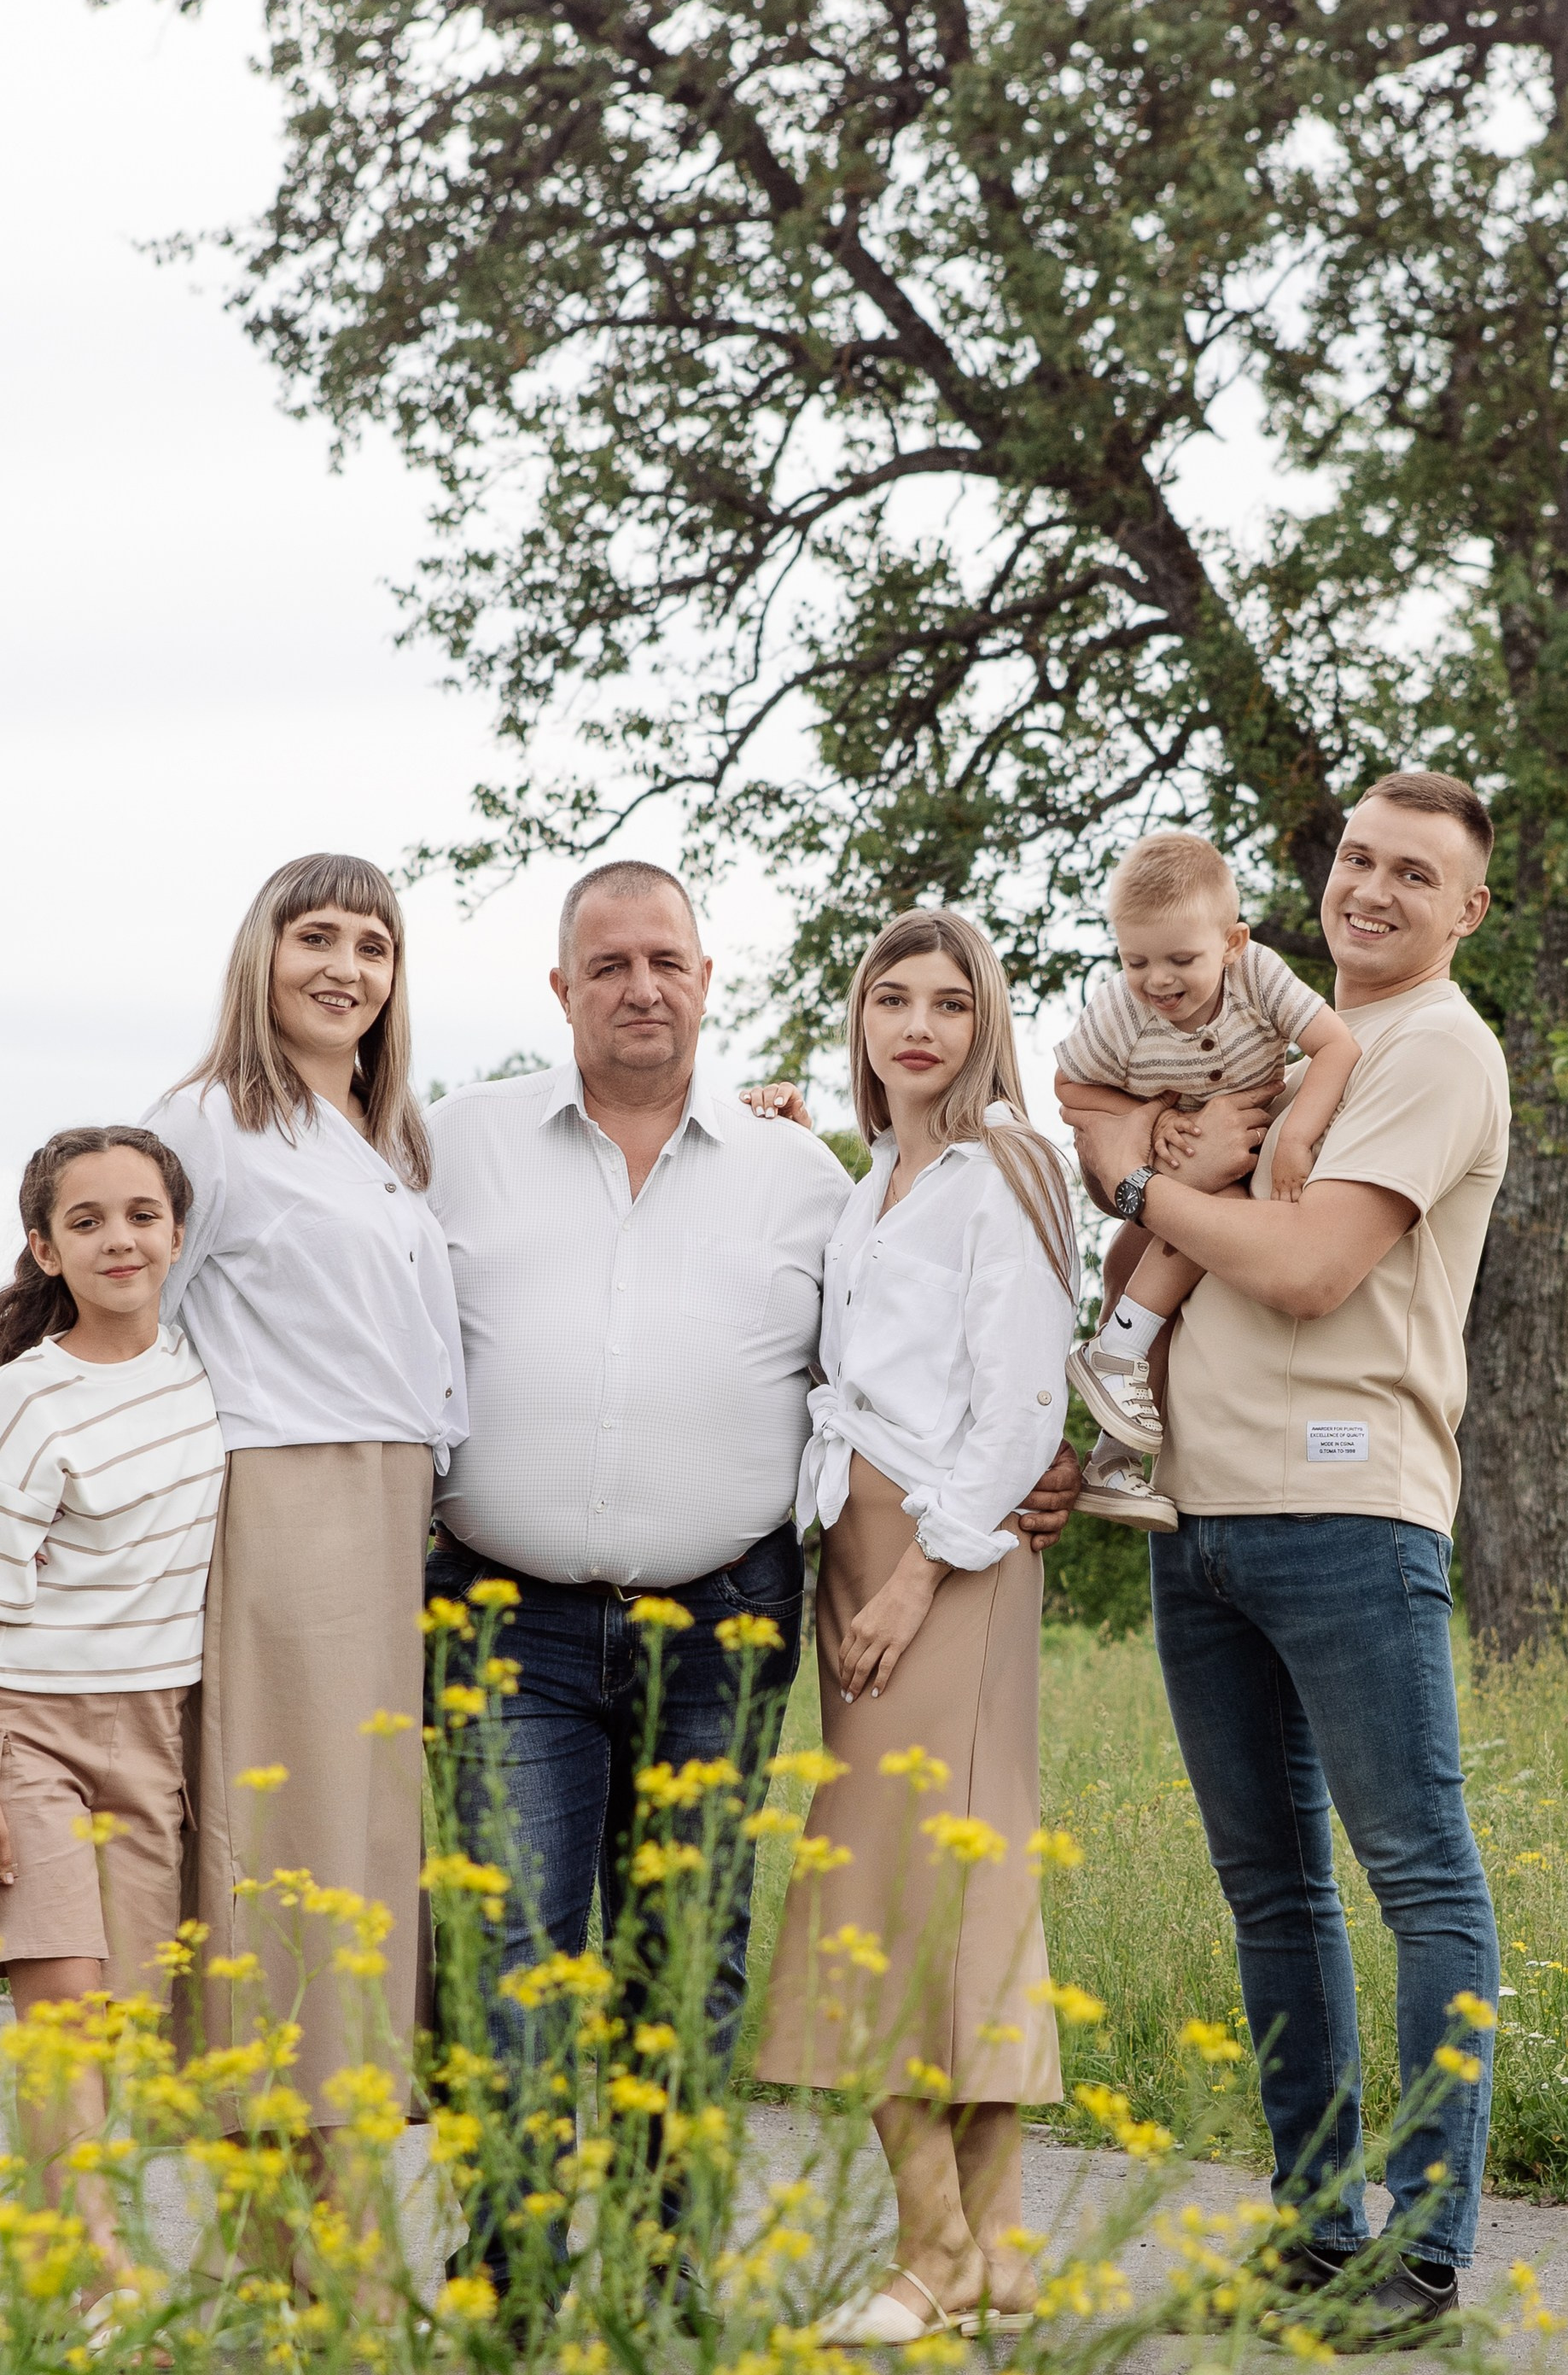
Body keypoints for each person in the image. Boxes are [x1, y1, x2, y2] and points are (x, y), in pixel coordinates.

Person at [423, 860, 1081, 2104]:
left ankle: (660, 2280)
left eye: (666, 962)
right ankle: (507, 2287)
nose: (640, 988)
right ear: (561, 988)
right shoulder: (462, 1141)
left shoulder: (803, 1179)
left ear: (708, 982)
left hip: (722, 1616)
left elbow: (933, 1370)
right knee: (513, 1949)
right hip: (505, 1618)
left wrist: (1034, 1465)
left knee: (687, 1966)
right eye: (609, 965)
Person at [1066, 769, 1509, 2346]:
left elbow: (1314, 1269)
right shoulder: (1256, 1027)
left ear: (1463, 909)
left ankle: (1427, 2244)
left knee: (1416, 1878)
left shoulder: (1435, 1050)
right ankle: (1312, 2230)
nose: (1370, 891)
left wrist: (1139, 1177)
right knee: (1272, 1895)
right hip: (1201, 1518)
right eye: (1354, 859)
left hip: (1347, 1510)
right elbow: (1152, 1233)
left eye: (1412, 874)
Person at [755, 908, 1080, 2348]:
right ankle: (991, 2253)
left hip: (945, 1555)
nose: (918, 1026)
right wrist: (779, 1132)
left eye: (949, 1002)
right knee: (935, 1890)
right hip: (859, 1527)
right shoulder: (874, 1175)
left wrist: (913, 1576)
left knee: (897, 1891)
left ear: (983, 1022)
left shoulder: (1001, 1168)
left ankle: (933, 2248)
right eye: (891, 998)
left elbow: (1022, 1400)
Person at [148, 854, 466, 2156]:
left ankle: (336, 2203)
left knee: (384, 1853)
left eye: (373, 947)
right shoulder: (204, 1124)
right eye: (315, 938)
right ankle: (285, 2224)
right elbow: (131, 1318)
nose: (345, 969)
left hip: (404, 1510)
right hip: (289, 1498)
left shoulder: (393, 1139)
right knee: (298, 1841)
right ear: (259, 956)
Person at [0, 1126, 224, 2308]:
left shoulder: (209, 1379)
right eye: (87, 1220)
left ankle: (60, 2258)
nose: (119, 1239)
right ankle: (101, 2281)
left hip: (157, 1731)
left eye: (142, 1215)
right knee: (69, 2020)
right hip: (28, 1732)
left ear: (178, 1235)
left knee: (126, 2026)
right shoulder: (26, 1399)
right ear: (44, 1248)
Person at [1053, 830, 1360, 1533]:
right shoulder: (1121, 1014)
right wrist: (1147, 1117)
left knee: (1181, 1277)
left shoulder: (1258, 975)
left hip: (1230, 1153)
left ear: (1231, 942)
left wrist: (1299, 1140)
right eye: (1136, 961)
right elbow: (1070, 1087)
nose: (1157, 981)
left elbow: (1335, 1044)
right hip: (1179, 1159)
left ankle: (1110, 1462)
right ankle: (1116, 1348)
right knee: (1209, 1209)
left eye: (1180, 959)